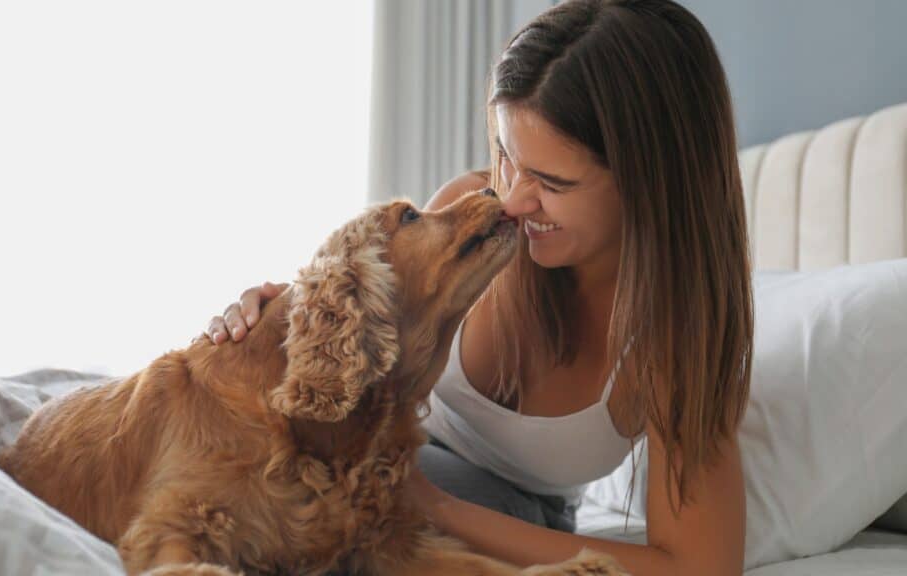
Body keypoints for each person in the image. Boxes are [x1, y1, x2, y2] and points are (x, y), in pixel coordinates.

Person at [203, 1, 753, 573]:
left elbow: (699, 567)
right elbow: (348, 365)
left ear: (650, 182)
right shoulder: (470, 220)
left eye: (553, 183)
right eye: (508, 159)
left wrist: (433, 506)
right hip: (384, 456)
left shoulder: (671, 343)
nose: (511, 201)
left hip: (502, 515)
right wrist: (274, 335)